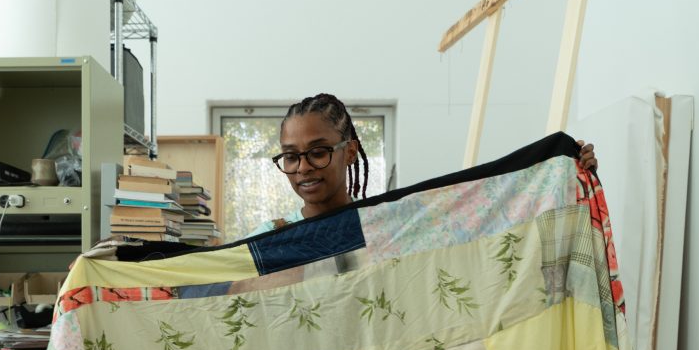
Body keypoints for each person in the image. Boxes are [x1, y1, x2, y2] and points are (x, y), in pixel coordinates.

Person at [247, 93, 598, 237]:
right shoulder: (271, 238)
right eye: (291, 156)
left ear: (350, 151)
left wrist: (567, 174)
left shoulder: (387, 227)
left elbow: (491, 229)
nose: (303, 167)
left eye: (318, 151)